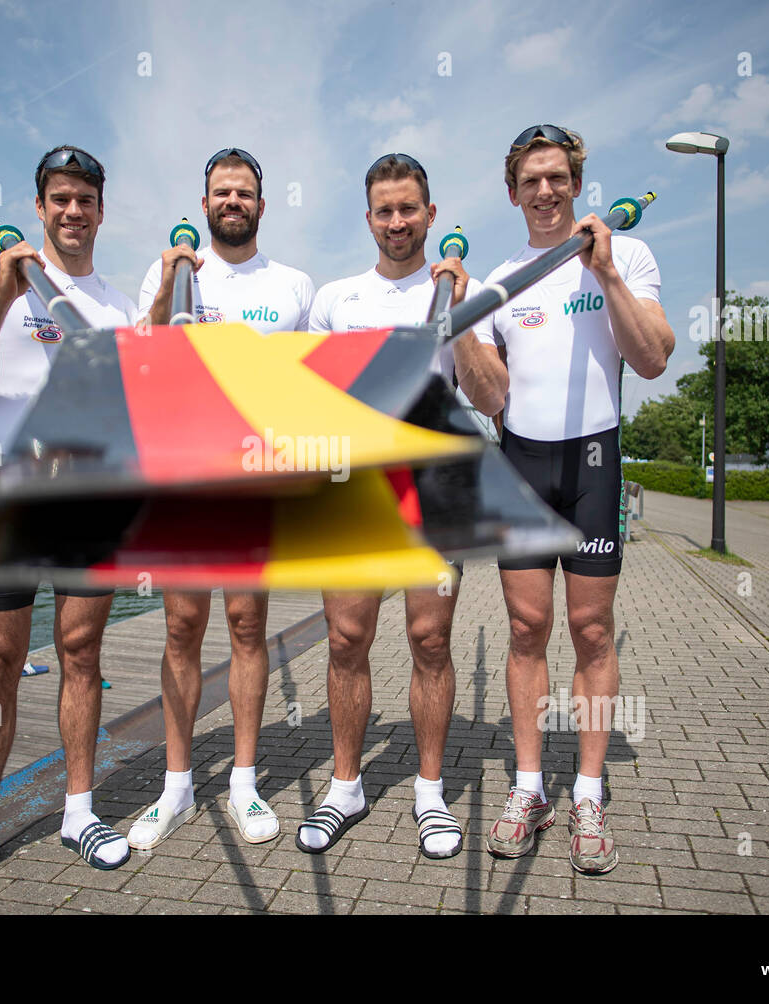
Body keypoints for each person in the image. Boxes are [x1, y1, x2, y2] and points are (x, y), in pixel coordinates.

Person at [0, 146, 137, 905]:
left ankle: (80, 812)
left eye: (86, 199)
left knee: (81, 652)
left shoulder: (116, 303)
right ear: (40, 207)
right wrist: (5, 297)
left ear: (102, 211)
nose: (73, 211)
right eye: (60, 199)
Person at [458, 125, 674, 874]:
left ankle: (586, 790)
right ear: (512, 191)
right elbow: (491, 397)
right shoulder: (500, 279)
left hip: (594, 462)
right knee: (527, 626)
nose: (545, 191)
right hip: (521, 463)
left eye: (557, 178)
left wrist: (607, 273)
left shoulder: (626, 254)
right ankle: (528, 789)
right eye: (530, 180)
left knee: (590, 629)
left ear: (576, 182)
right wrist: (460, 324)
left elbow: (651, 358)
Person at [295, 153, 491, 859]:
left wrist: (465, 313)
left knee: (430, 640)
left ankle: (430, 793)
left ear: (431, 216)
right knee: (346, 639)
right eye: (385, 210)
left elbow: (492, 396)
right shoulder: (335, 299)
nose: (398, 221)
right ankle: (344, 786)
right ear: (369, 217)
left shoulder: (462, 291)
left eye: (410, 209)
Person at [129, 148, 314, 849]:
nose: (232, 201)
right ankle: (175, 787)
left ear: (261, 205)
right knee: (181, 629)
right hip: (183, 472)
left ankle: (242, 783)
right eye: (220, 193)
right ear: (203, 204)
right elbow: (140, 356)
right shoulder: (172, 270)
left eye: (244, 192)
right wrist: (172, 278)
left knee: (244, 625)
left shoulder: (293, 284)